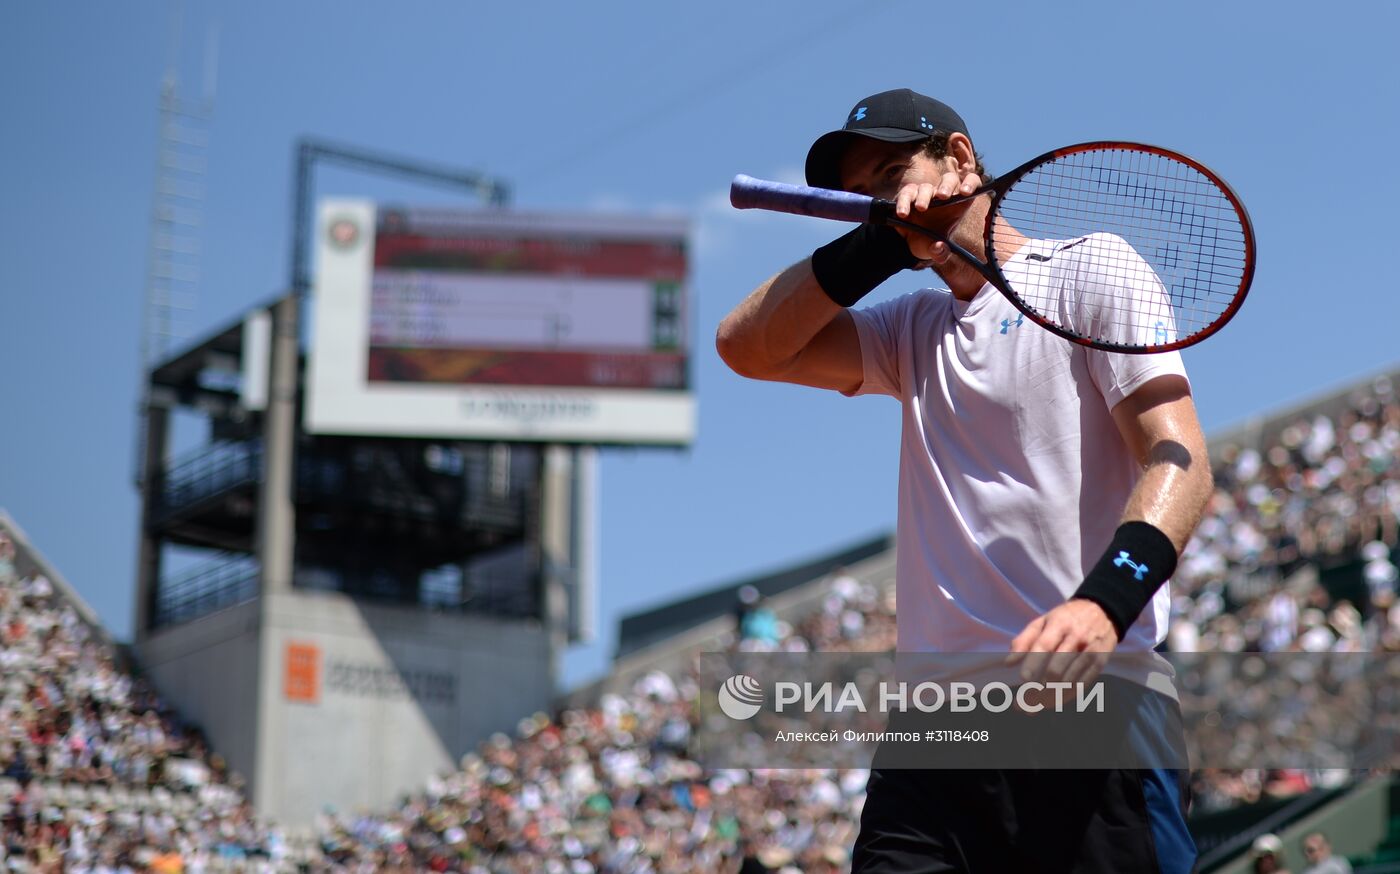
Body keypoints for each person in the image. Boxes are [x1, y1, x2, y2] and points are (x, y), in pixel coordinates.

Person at [717, 88, 1213, 872]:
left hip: (1093, 702)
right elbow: (747, 347)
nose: (878, 202)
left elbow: (1180, 458)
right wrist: (880, 241)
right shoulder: (909, 331)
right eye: (862, 198)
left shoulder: (1089, 268)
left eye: (890, 174)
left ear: (958, 157)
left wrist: (1104, 603)